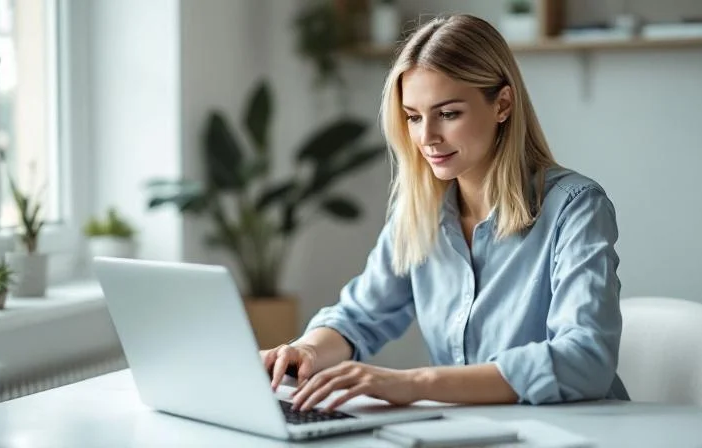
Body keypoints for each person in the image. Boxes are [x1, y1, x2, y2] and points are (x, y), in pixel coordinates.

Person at [261, 13, 629, 412]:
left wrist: (415, 383)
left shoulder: (575, 207)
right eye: (413, 117)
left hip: (577, 431)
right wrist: (306, 351)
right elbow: (360, 315)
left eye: (449, 114)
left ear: (503, 104)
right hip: (469, 433)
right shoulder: (420, 211)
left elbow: (585, 359)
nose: (426, 137)